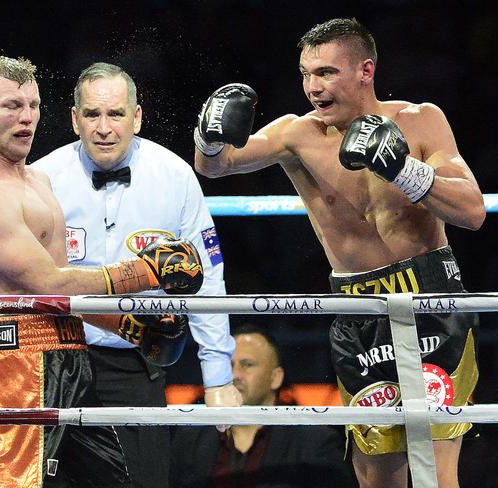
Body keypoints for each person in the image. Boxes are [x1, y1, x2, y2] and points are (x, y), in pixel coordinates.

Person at [193, 17, 484, 488]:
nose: (312, 86)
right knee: (378, 478)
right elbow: (217, 165)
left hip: (431, 301)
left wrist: (402, 169)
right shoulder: (295, 135)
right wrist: (208, 136)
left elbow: (472, 211)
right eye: (306, 74)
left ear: (365, 71)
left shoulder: (420, 119)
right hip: (358, 309)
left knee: (435, 470)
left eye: (326, 72)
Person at [0, 55, 204, 487]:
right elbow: (50, 283)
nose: (26, 117)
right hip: (19, 368)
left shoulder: (38, 183)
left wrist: (125, 325)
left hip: (72, 358)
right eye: (11, 105)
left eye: (32, 105)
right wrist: (147, 272)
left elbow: (61, 298)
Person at [31, 61, 240, 488]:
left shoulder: (175, 176)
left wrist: (218, 376)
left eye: (116, 114)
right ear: (75, 119)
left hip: (136, 361)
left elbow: (208, 278)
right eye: (92, 114)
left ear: (137, 117)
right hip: (56, 359)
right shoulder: (41, 178)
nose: (104, 127)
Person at [170, 323, 356, 487]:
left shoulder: (316, 443)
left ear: (276, 378)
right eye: (228, 365)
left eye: (247, 365)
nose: (234, 375)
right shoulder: (188, 441)